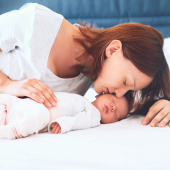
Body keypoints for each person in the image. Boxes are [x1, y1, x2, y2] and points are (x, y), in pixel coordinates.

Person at [0, 3, 169, 128]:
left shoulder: (87, 78)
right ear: (113, 49)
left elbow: (139, 103)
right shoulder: (37, 21)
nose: (119, 94)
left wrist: (167, 103)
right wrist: (8, 85)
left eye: (128, 90)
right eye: (125, 82)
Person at [0, 92, 129, 139]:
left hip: (43, 113)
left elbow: (78, 121)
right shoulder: (83, 99)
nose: (113, 107)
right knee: (7, 101)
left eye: (116, 113)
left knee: (34, 118)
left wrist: (63, 124)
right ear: (100, 94)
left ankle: (10, 131)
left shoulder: (94, 116)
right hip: (29, 103)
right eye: (113, 100)